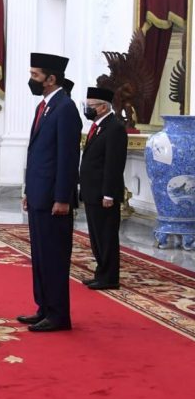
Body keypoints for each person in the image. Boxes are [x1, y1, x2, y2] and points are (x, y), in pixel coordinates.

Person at [18, 52, 82, 332]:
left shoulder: (65, 108)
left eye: (35, 75)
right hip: (39, 194)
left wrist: (62, 198)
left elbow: (67, 157)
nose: (31, 80)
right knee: (41, 255)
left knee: (54, 257)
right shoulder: (44, 107)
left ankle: (58, 315)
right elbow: (37, 153)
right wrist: (29, 190)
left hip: (55, 199)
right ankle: (43, 308)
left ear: (51, 78)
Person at [79, 87, 127, 290]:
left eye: (90, 106)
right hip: (92, 192)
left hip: (103, 194)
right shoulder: (98, 127)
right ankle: (101, 273)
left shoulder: (114, 128)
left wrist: (108, 194)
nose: (87, 109)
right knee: (96, 236)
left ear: (103, 107)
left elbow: (113, 165)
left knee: (106, 236)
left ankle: (109, 278)